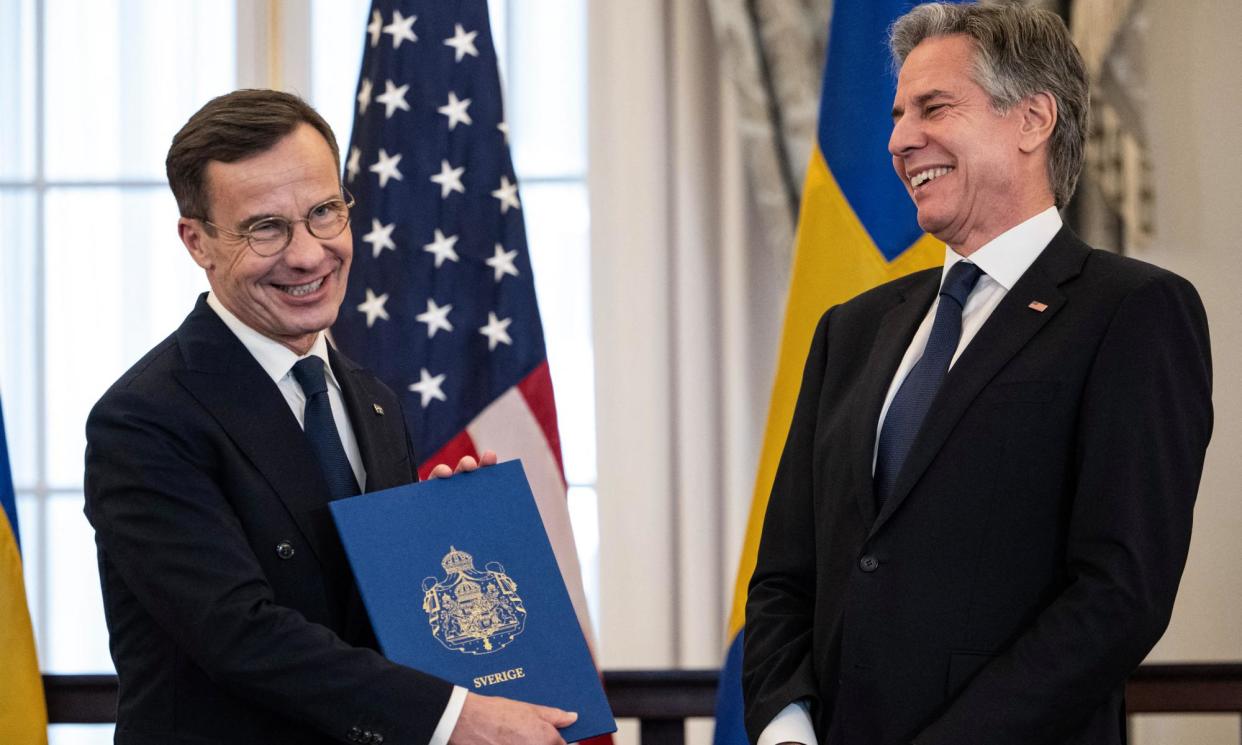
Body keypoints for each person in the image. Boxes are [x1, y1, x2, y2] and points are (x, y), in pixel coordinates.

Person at [741, 4, 1212, 745]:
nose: (899, 139)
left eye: (933, 107)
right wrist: (786, 725)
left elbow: (1119, 594)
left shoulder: (1133, 313)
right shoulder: (850, 331)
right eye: (898, 114)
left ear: (1031, 120)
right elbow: (784, 575)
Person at [84, 90, 575, 745]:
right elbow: (241, 634)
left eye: (324, 212)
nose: (310, 254)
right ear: (197, 241)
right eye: (266, 227)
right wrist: (455, 716)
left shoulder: (371, 400)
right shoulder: (143, 419)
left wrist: (425, 540)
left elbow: (362, 616)